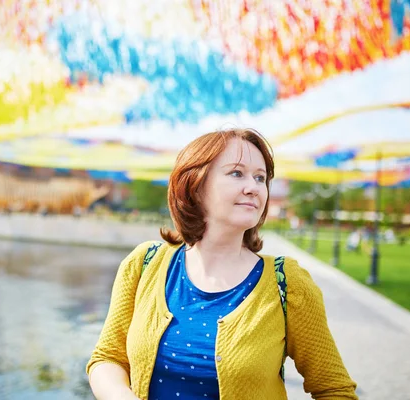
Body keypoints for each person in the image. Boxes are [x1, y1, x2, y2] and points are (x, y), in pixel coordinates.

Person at [86, 128, 358, 399]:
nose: (253, 188)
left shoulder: (287, 283)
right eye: (237, 173)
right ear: (195, 185)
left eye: (260, 178)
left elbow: (334, 390)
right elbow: (107, 358)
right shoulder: (144, 264)